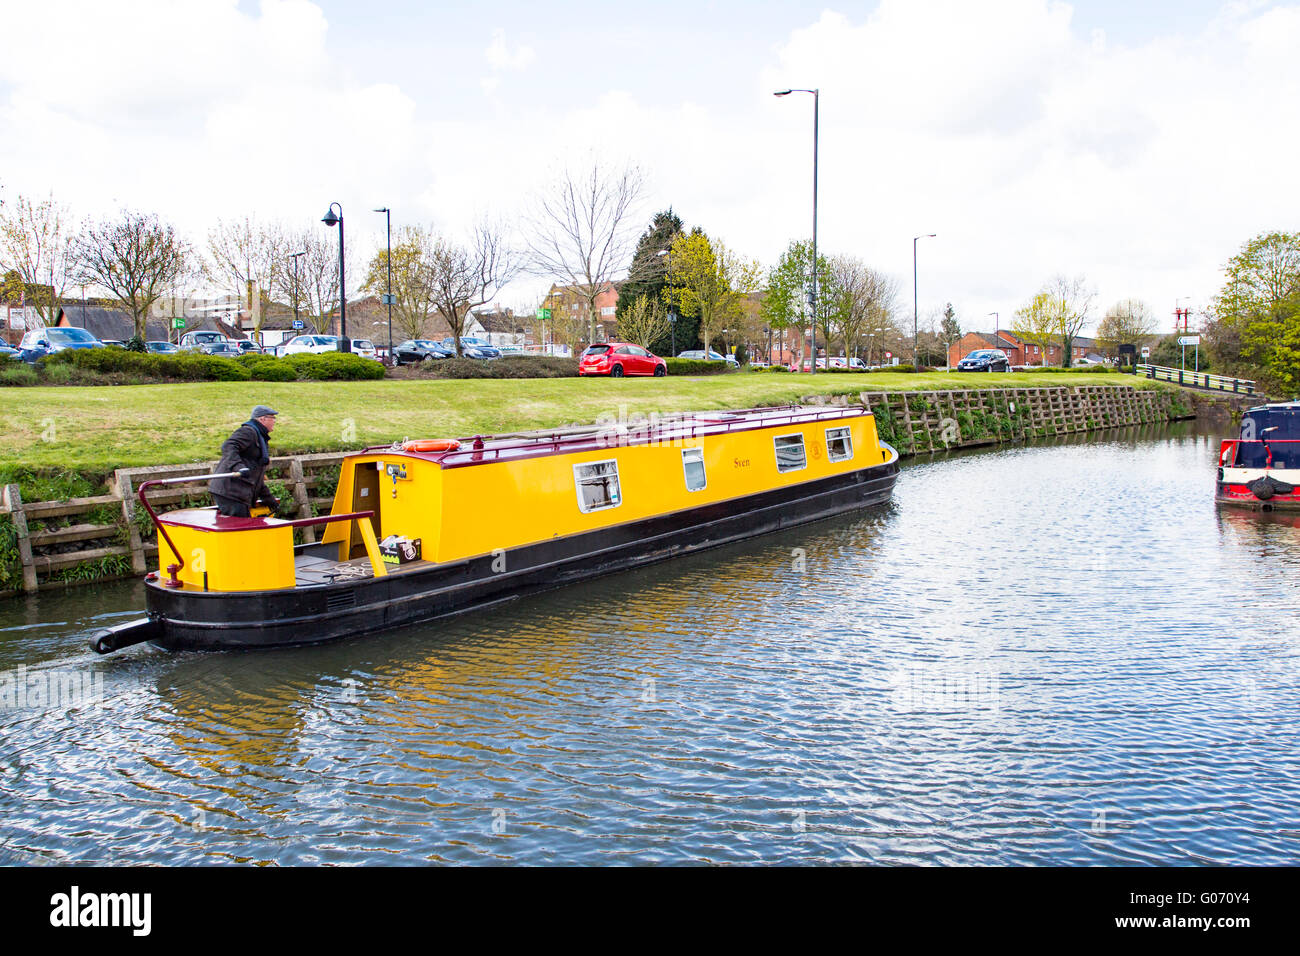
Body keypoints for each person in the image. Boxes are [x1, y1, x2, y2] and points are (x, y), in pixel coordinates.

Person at [210, 405, 281, 518]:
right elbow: (228, 446)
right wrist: (239, 467)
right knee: (239, 527)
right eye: (272, 418)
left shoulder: (260, 438)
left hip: (239, 492)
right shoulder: (248, 432)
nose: (275, 421)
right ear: (262, 419)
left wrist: (268, 499)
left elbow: (256, 475)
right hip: (231, 491)